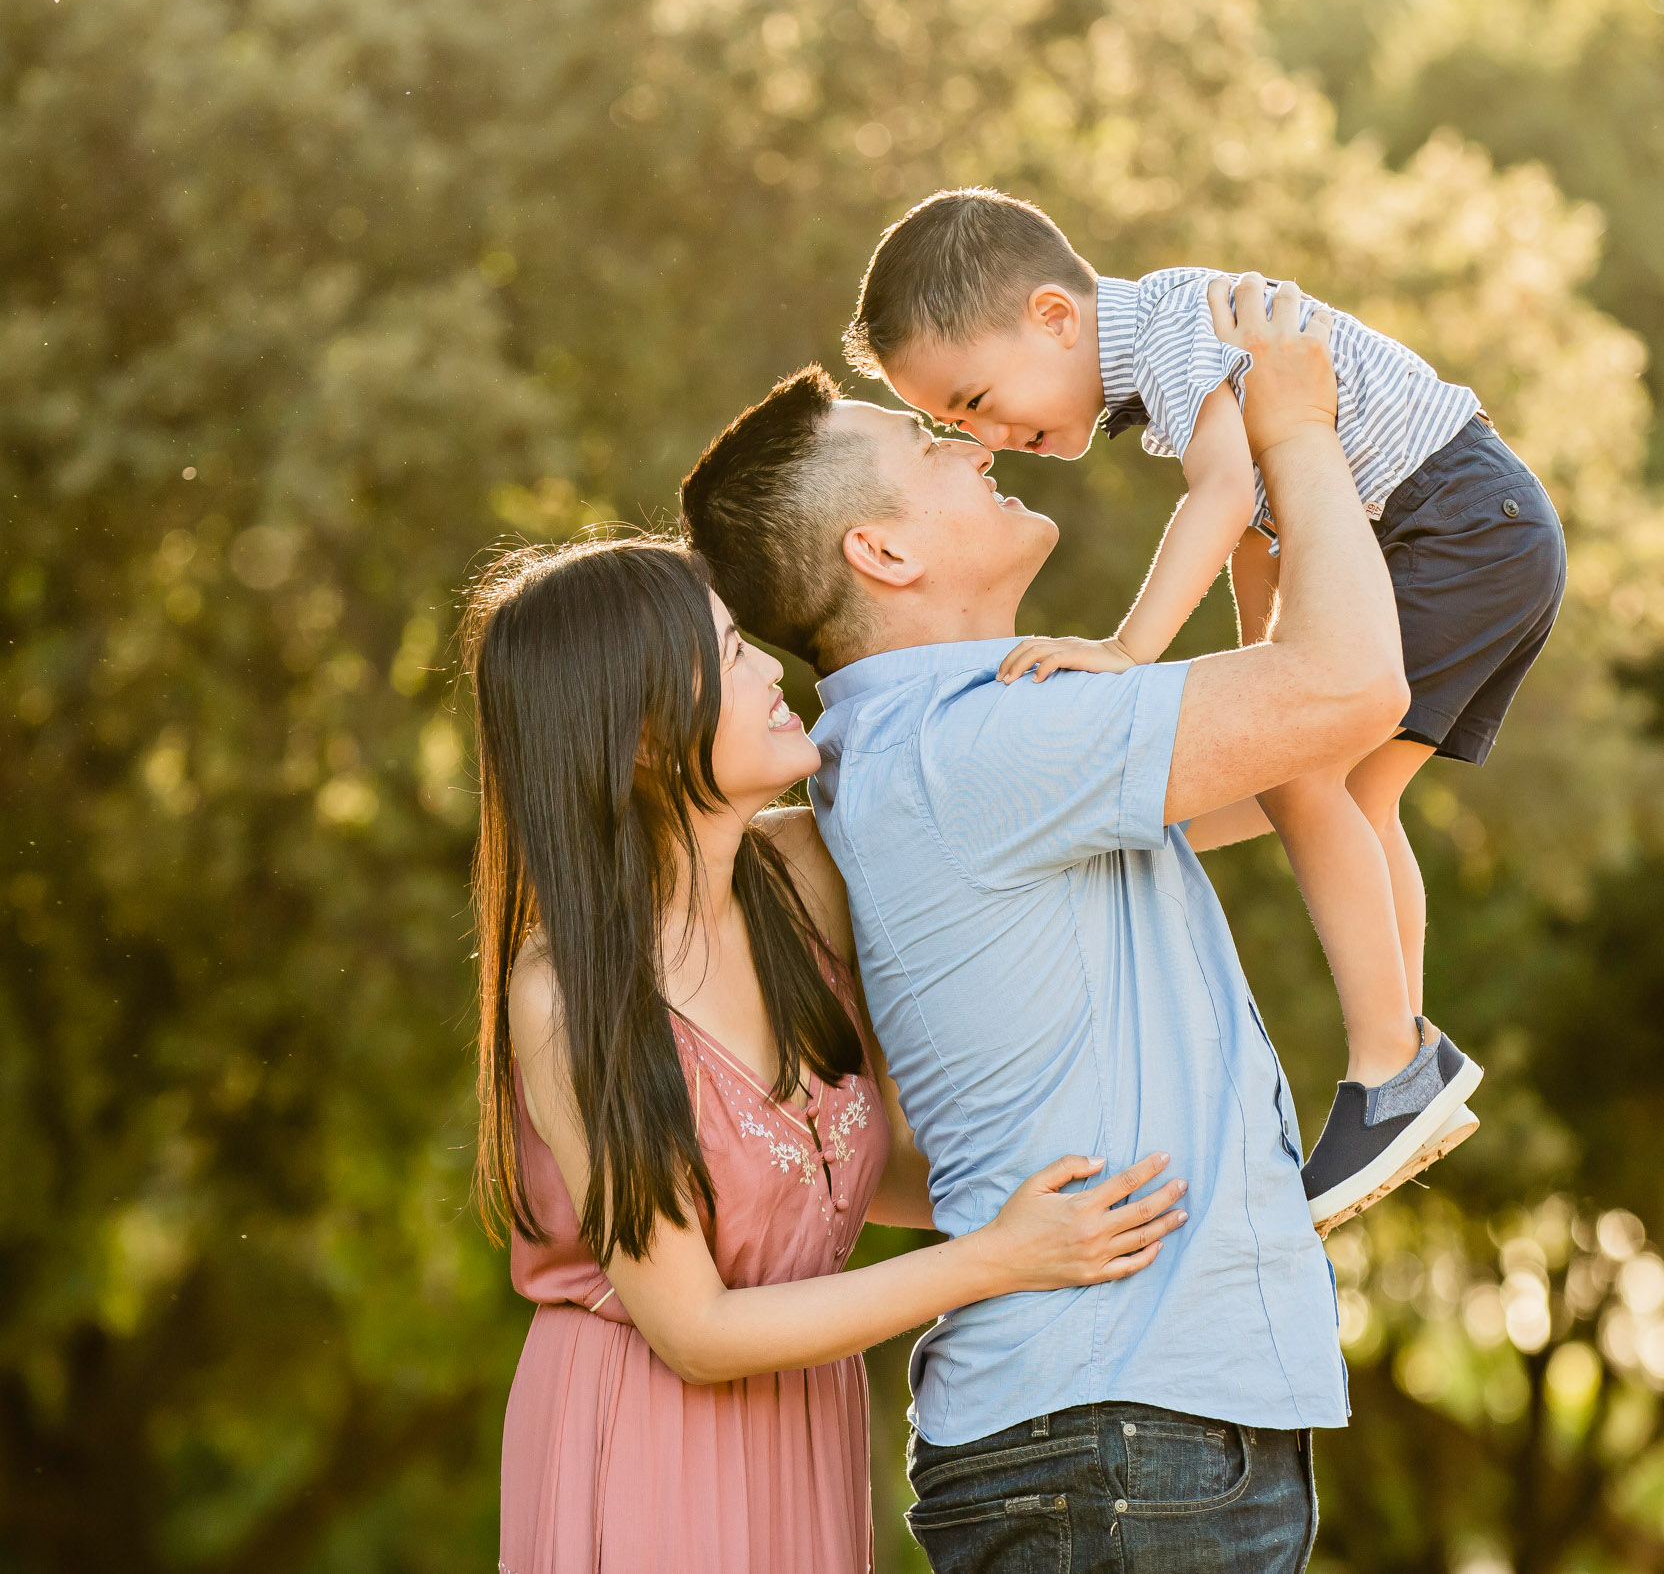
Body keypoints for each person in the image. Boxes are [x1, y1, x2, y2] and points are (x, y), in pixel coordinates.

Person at [680, 277, 1407, 1572]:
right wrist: (1292, 427)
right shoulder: (982, 744)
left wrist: (1254, 545)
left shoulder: (951, 742)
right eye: (924, 445)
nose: (967, 443)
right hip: (1119, 1443)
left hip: (1119, 1440)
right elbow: (1352, 686)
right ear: (883, 553)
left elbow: (1308, 750)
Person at [835, 187, 1567, 1232]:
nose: (989, 434)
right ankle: (1399, 1054)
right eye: (955, 424)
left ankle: (1390, 1064)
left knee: (1302, 774)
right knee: (1354, 787)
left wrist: (1126, 650)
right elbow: (1264, 529)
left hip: (1448, 524)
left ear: (1054, 315)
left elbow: (1223, 497)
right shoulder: (1161, 350)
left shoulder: (1176, 332)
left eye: (979, 397)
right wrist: (1267, 668)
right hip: (1482, 524)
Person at [465, 535, 1188, 1574]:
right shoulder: (569, 999)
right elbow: (698, 1329)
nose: (768, 667)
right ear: (638, 732)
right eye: (728, 651)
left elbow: (830, 1174)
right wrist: (1001, 1256)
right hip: (643, 1430)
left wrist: (1060, 1201)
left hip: (799, 1418)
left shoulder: (804, 876)